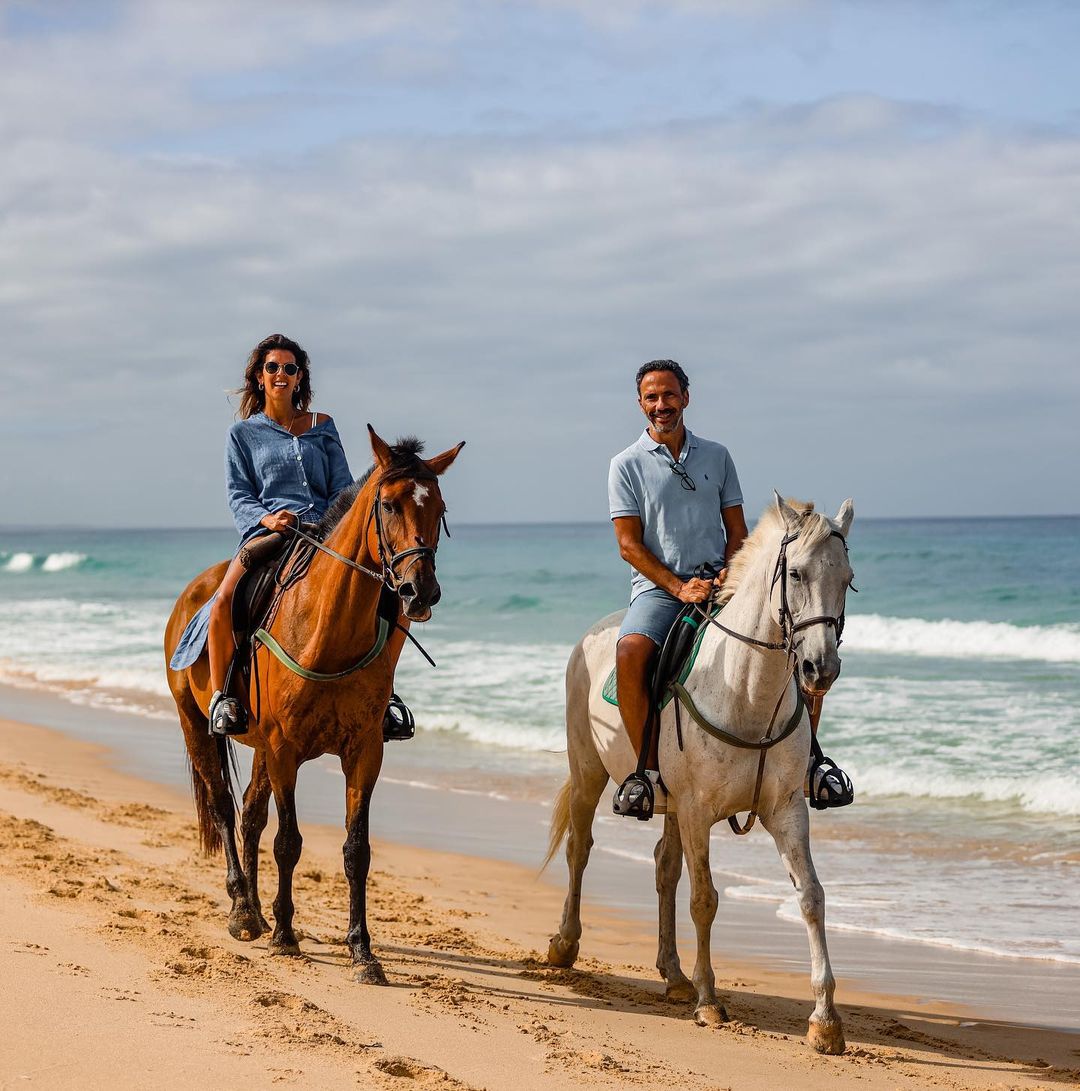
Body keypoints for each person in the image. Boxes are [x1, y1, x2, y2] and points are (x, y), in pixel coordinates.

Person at [607, 359, 853, 820]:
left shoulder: (717, 456)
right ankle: (647, 773)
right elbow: (628, 545)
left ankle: (810, 761)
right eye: (652, 397)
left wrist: (728, 573)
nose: (662, 405)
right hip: (661, 588)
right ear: (640, 403)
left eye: (669, 395)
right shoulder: (625, 465)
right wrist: (679, 587)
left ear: (686, 396)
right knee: (630, 651)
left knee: (802, 643)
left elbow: (736, 529)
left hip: (723, 581)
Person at [171, 332, 413, 740]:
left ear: (300, 378)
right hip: (273, 530)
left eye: (289, 368)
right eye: (272, 368)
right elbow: (239, 495)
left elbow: (342, 489)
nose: (281, 374)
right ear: (259, 377)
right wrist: (268, 520)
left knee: (396, 599)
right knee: (226, 598)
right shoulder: (243, 435)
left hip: (327, 531)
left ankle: (383, 695)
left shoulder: (323, 426)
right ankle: (223, 697)